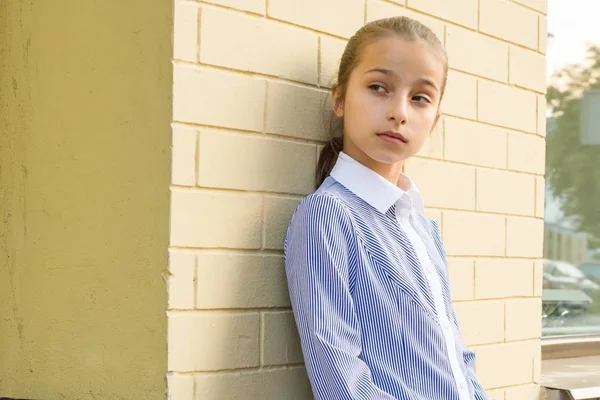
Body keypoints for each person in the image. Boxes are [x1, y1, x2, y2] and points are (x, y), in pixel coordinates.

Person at [283, 16, 488, 400]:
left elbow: (454, 355)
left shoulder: (423, 226)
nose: (400, 112)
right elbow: (340, 380)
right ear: (339, 98)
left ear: (435, 120)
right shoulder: (327, 215)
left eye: (420, 98)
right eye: (379, 88)